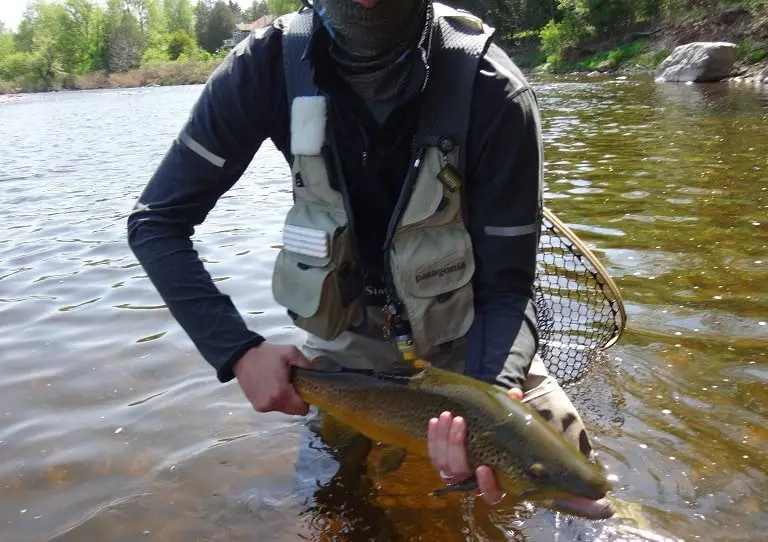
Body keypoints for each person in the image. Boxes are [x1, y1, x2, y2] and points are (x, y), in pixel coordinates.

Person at [127, 0, 608, 517]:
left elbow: (506, 289)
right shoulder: (263, 69)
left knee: (582, 492)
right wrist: (238, 350)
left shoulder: (493, 88)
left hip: (471, 342)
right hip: (347, 344)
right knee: (331, 502)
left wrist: (492, 395)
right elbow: (156, 223)